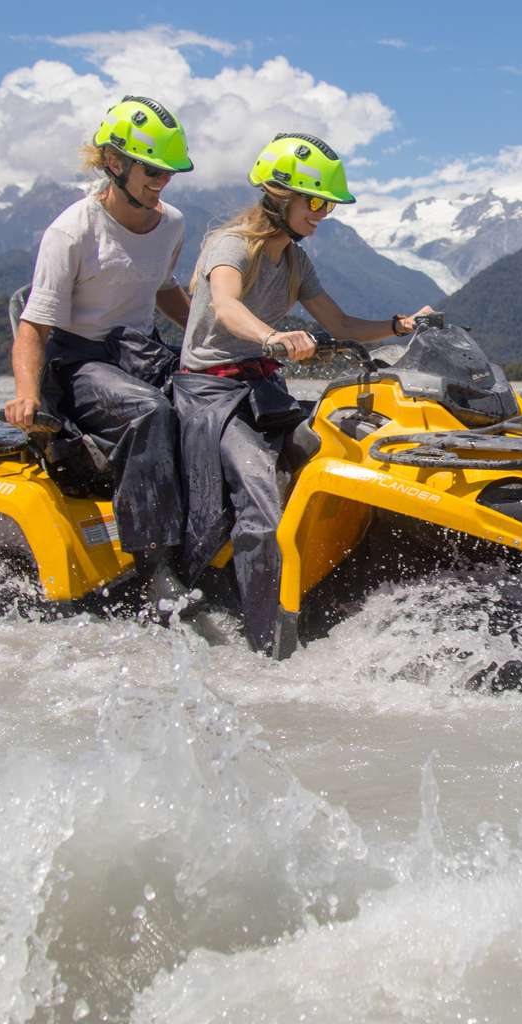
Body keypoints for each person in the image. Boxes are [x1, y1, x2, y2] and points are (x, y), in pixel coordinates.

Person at [174, 132, 434, 655]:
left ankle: (331, 585)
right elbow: (225, 304)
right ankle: (265, 642)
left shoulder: (295, 260)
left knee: (339, 450)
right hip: (209, 393)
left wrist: (400, 325)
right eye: (316, 202)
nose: (324, 213)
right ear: (280, 195)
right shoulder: (230, 246)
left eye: (329, 204)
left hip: (261, 387)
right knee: (261, 502)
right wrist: (271, 337)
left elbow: (338, 321)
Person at [3, 95, 194, 605]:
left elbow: (163, 287)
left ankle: (211, 535)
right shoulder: (72, 231)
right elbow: (33, 327)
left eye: (169, 171)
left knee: (215, 396)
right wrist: (26, 394)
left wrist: (210, 334)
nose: (162, 180)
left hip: (138, 352)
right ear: (115, 162)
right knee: (149, 413)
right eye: (151, 169)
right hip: (78, 362)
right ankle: (153, 564)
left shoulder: (171, 224)